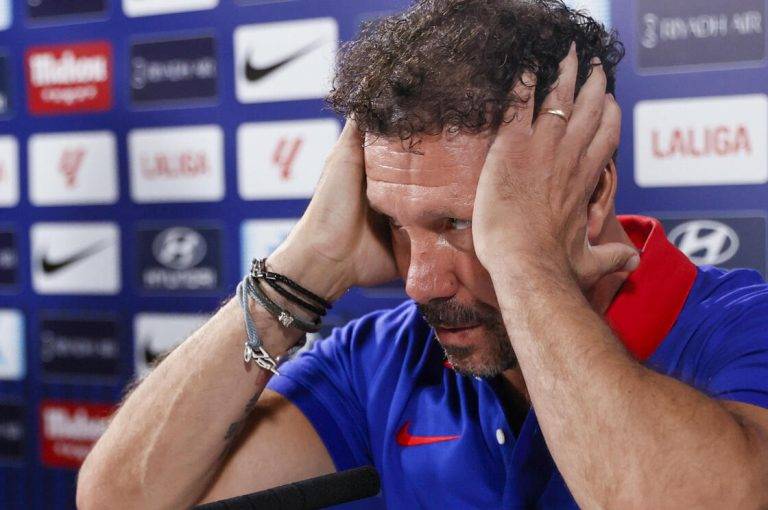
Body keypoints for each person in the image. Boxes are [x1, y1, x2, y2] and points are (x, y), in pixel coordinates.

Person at [77, 1, 768, 508]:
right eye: (397, 225)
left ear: (591, 194)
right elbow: (120, 501)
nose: (418, 280)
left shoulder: (743, 327)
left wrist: (523, 264)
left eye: (463, 223)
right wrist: (304, 268)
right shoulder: (384, 357)